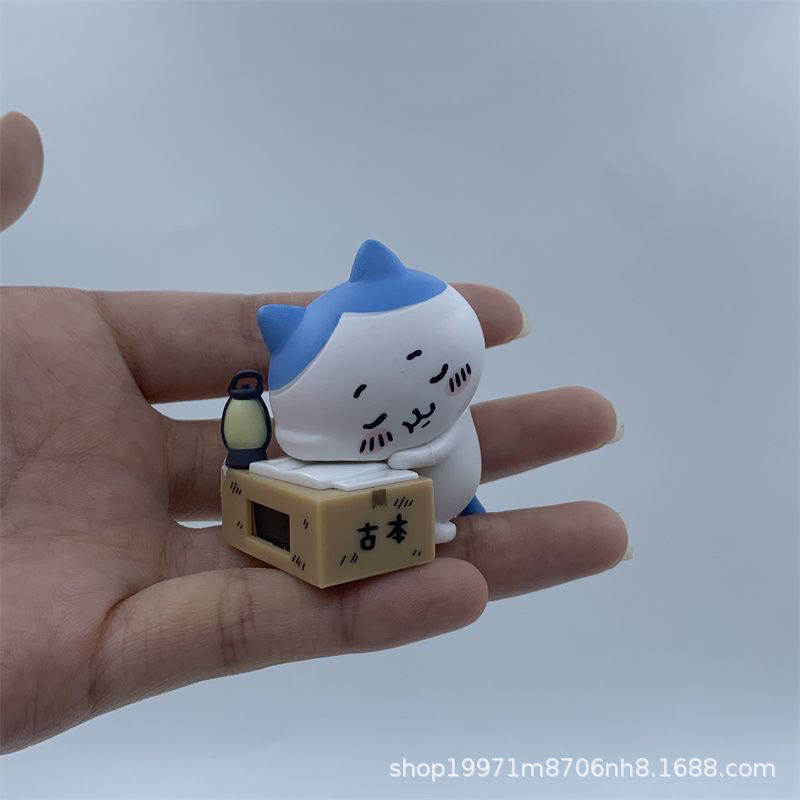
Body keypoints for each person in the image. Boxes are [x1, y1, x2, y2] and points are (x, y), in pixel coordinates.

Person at [0, 112, 629, 754]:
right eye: (363, 401)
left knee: (444, 507)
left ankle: (454, 510)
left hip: (445, 480)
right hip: (398, 504)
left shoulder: (420, 388)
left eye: (425, 363)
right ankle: (433, 522)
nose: (415, 390)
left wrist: (429, 451)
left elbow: (438, 433)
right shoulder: (327, 443)